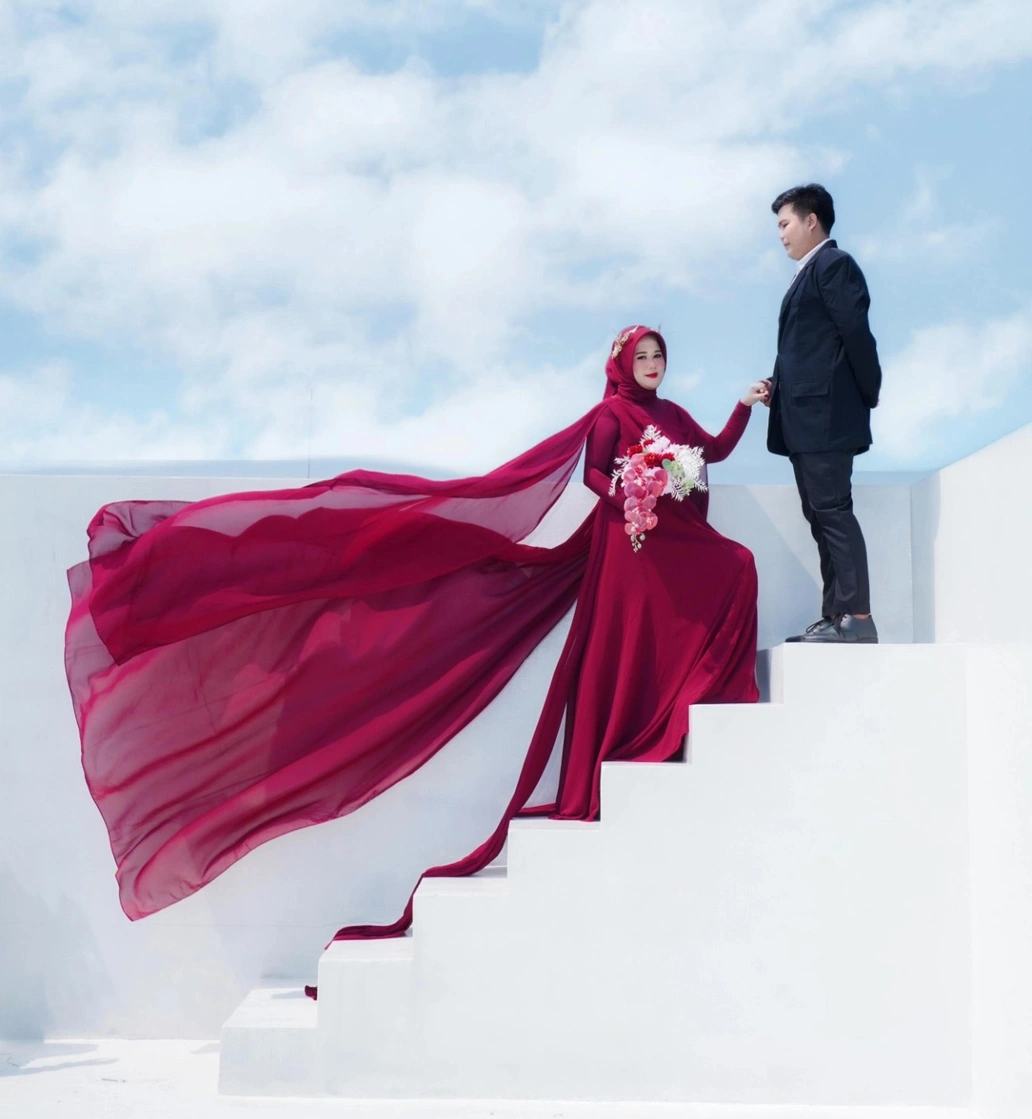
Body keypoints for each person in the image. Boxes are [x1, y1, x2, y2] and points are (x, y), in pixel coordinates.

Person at [64, 326, 767, 941]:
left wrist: (741, 406)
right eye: (642, 356)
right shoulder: (610, 415)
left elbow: (712, 450)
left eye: (659, 357)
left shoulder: (673, 414)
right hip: (629, 550)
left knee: (734, 568)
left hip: (661, 545)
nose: (652, 365)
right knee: (650, 632)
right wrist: (637, 492)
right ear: (621, 363)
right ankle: (648, 729)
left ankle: (680, 712)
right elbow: (593, 476)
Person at [763, 185, 882, 644]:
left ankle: (859, 618)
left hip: (825, 417)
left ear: (811, 220)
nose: (780, 234)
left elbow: (856, 334)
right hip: (804, 417)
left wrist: (866, 394)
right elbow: (809, 348)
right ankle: (836, 616)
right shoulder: (807, 273)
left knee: (833, 512)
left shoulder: (834, 265)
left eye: (785, 223)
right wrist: (779, 388)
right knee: (820, 517)